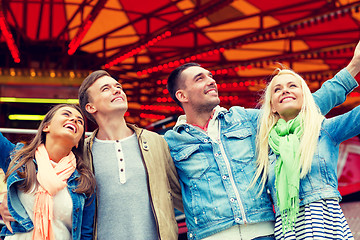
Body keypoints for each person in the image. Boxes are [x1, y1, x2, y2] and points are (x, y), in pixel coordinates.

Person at [164, 41, 360, 240]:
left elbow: (303, 108)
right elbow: (166, 190)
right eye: (200, 78)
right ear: (182, 95)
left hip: (263, 232)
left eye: (210, 76)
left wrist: (354, 66)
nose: (211, 81)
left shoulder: (245, 120)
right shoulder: (170, 143)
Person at [77, 70, 183, 239]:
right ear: (91, 107)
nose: (117, 90)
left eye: (118, 86)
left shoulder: (157, 142)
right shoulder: (81, 152)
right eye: (106, 89)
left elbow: (181, 195)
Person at [255, 68, 356, 239]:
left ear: (305, 97)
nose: (285, 90)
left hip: (325, 224)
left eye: (292, 85)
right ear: (272, 106)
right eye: (277, 89)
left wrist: (355, 65)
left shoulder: (323, 130)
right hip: (288, 229)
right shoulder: (266, 145)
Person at [0, 104, 96, 240]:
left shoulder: (84, 180)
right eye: (66, 114)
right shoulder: (17, 159)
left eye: (80, 121)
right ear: (46, 127)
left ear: (78, 141)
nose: (74, 120)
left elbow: (86, 234)